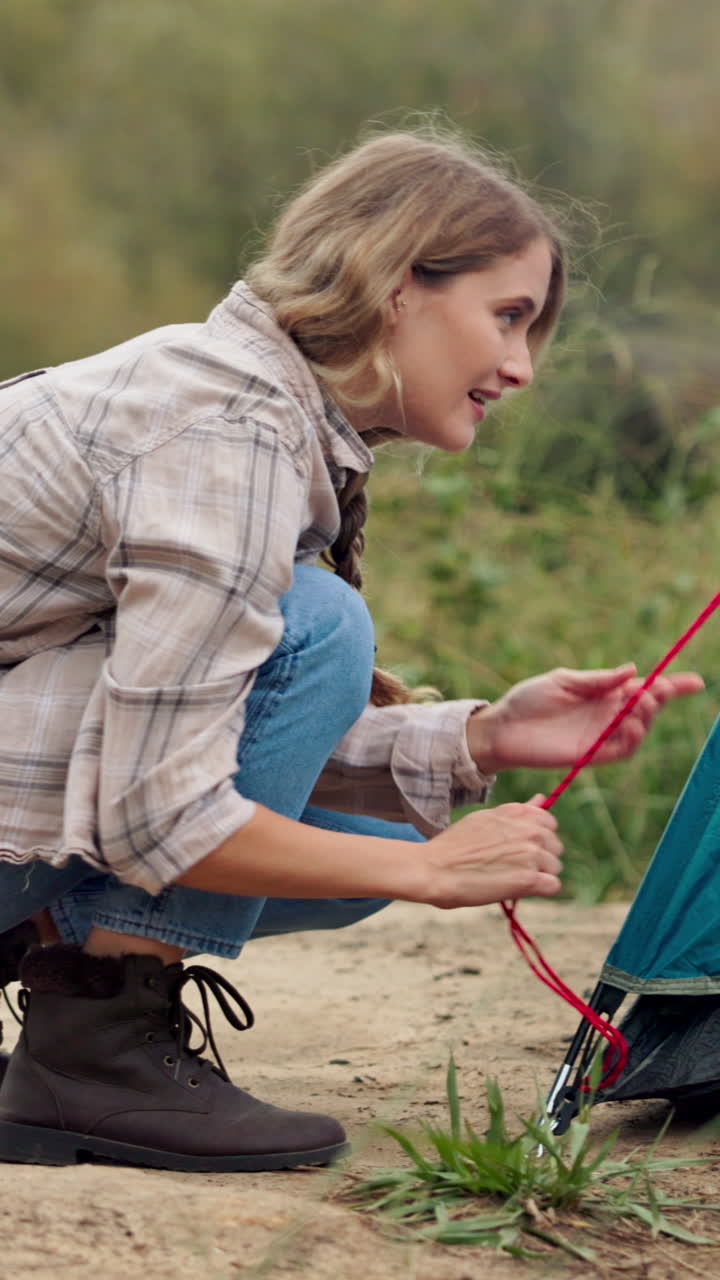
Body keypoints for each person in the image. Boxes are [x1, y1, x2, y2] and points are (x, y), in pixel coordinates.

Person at [0, 129, 702, 1173]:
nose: (521, 367)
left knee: (344, 853)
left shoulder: (251, 408)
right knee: (322, 628)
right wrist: (430, 867)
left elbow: (197, 722)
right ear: (398, 284)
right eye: (508, 316)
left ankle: (69, 1002)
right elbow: (161, 808)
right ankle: (96, 1047)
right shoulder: (224, 427)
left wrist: (482, 739)